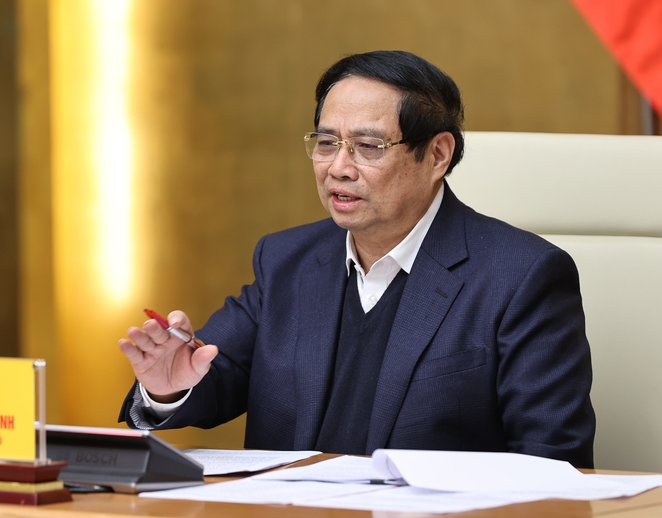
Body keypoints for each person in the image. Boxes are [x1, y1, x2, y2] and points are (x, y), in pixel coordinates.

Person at [118, 50, 596, 468]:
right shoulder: (285, 260)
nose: (339, 168)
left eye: (368, 147)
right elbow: (213, 374)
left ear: (437, 155)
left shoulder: (522, 276)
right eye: (327, 143)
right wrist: (167, 387)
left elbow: (552, 463)